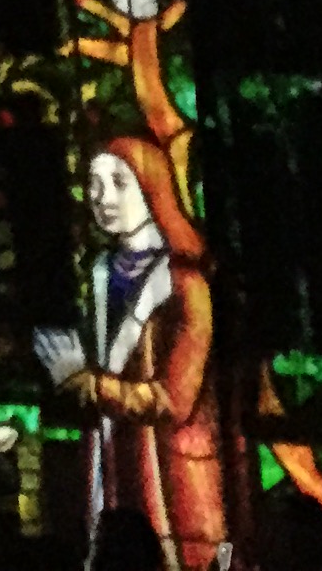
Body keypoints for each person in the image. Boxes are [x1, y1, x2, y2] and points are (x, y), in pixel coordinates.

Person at [35, 138, 225, 571]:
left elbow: (175, 399)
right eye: (94, 184)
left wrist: (88, 383)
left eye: (118, 182)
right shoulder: (99, 272)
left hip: (169, 470)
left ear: (151, 186)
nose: (102, 197)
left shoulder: (187, 284)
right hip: (111, 459)